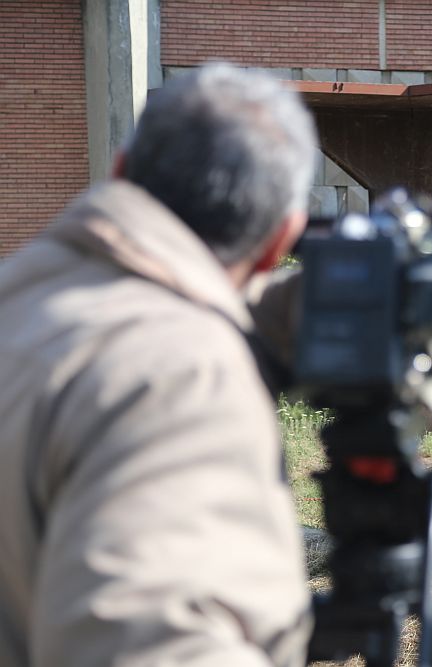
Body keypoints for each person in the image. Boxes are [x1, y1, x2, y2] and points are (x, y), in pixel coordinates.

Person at [0, 64, 317, 666]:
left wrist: (289, 306)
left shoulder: (20, 296)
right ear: (281, 239)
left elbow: (135, 305)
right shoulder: (180, 377)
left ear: (121, 173)